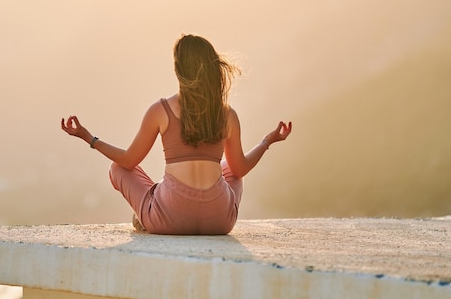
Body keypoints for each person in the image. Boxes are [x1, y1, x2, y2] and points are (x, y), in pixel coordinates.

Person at [61, 34, 292, 235]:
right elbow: (239, 169)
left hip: (168, 218)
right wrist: (267, 141)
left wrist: (89, 138)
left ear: (179, 70)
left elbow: (129, 161)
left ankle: (147, 211)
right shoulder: (226, 114)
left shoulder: (160, 111)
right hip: (219, 220)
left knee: (117, 168)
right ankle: (162, 199)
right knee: (230, 168)